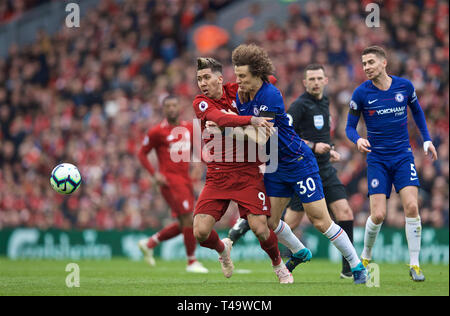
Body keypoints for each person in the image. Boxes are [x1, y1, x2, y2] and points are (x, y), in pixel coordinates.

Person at [231, 44, 367, 284]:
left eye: (242, 76)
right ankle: (300, 251)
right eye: (237, 75)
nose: (238, 80)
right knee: (270, 222)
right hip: (275, 166)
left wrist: (229, 128)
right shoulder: (241, 95)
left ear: (256, 74)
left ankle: (357, 266)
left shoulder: (270, 94)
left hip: (298, 161)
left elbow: (262, 136)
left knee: (320, 220)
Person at [192, 57, 294, 283]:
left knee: (261, 228)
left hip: (248, 172)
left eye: (207, 77)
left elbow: (266, 80)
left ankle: (278, 265)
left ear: (220, 78)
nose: (202, 83)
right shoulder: (201, 102)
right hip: (218, 174)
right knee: (200, 232)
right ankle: (222, 250)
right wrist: (253, 120)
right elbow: (220, 118)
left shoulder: (237, 91)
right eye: (199, 79)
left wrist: (263, 80)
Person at [345, 45, 438, 282]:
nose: (366, 67)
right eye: (364, 63)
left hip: (403, 156)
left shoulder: (404, 87)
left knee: (412, 207)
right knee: (377, 215)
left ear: (383, 63)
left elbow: (417, 113)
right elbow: (349, 127)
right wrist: (357, 140)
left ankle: (415, 264)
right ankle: (365, 256)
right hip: (377, 159)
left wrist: (427, 140)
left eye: (370, 62)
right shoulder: (360, 93)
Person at [137, 95, 208, 273]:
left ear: (179, 107)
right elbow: (142, 153)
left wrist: (205, 163)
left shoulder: (189, 128)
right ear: (164, 109)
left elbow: (198, 151)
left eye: (174, 105)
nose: (171, 109)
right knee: (188, 219)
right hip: (169, 181)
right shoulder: (156, 132)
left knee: (185, 221)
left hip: (185, 180)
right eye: (167, 106)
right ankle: (192, 262)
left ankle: (150, 243)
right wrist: (155, 175)